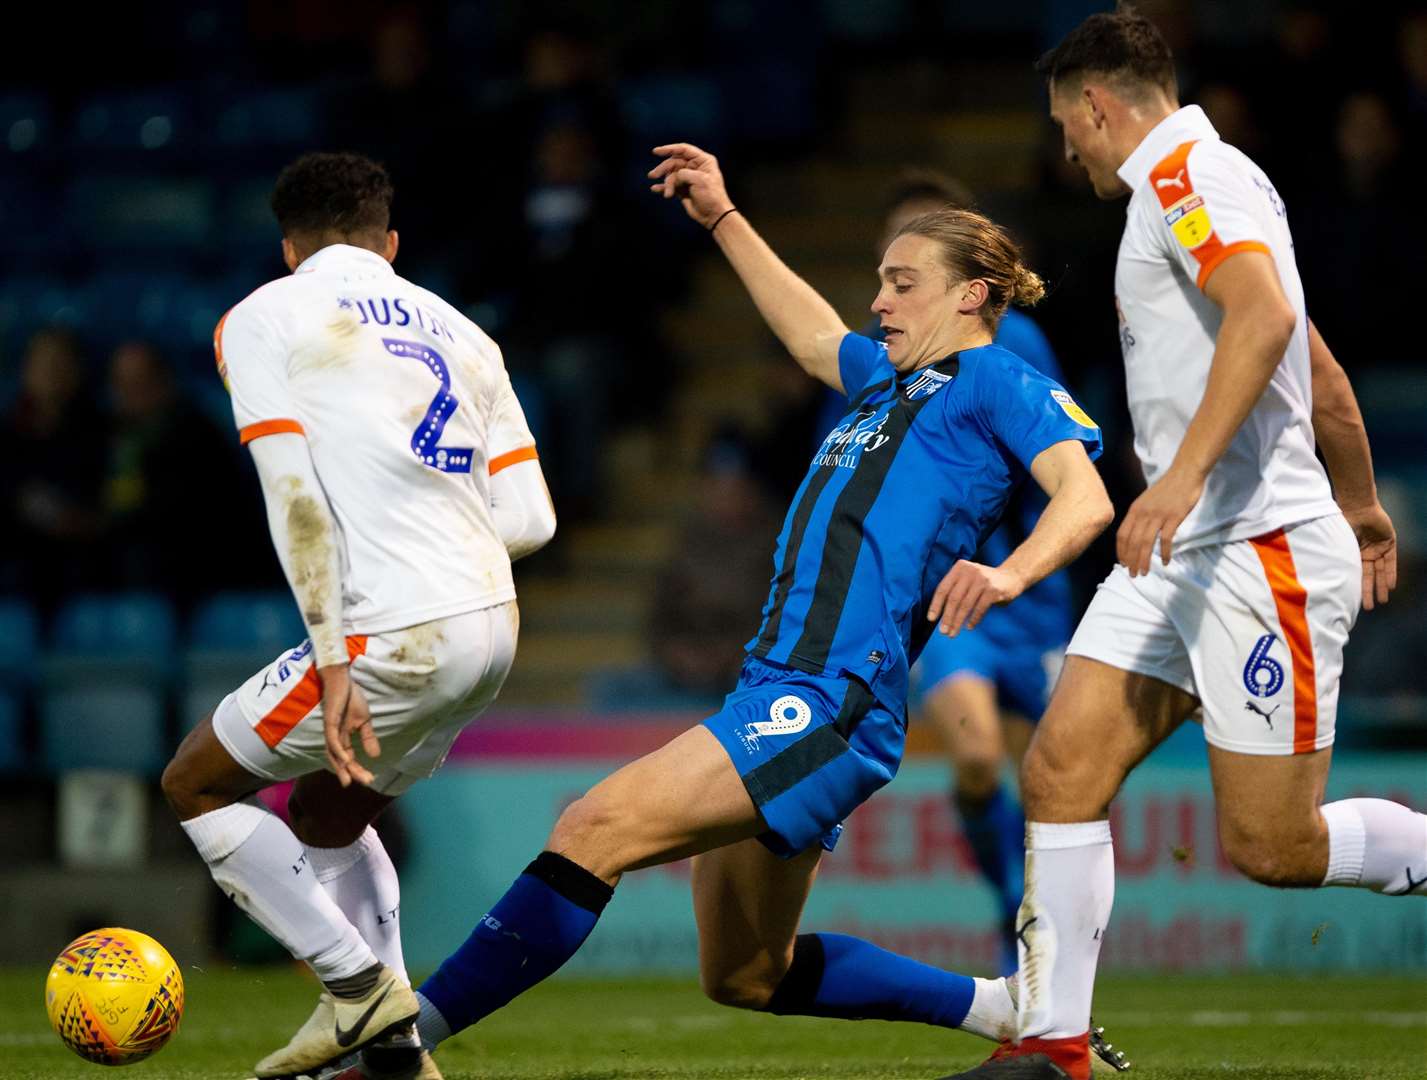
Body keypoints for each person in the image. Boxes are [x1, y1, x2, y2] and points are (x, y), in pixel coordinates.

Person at [396, 142, 1118, 1075]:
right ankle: (1012, 1011)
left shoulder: (996, 380)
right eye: (878, 282)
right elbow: (813, 334)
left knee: (592, 827)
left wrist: (1010, 573)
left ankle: (398, 1043)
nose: (878, 301)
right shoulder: (884, 384)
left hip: (831, 696)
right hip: (777, 686)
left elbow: (1085, 497)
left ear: (971, 294)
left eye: (901, 283)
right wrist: (725, 217)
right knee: (742, 972)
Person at [943, 10, 1417, 1080]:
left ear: (1100, 107)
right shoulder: (1206, 183)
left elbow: (1257, 321)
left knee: (1271, 848)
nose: (1067, 151)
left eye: (1069, 127)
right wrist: (1362, 496)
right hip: (1183, 555)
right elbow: (1316, 363)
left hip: (1256, 553)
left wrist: (1185, 476)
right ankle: (1057, 1044)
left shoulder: (1184, 180)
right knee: (1060, 767)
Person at [159, 152, 556, 1080]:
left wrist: (334, 655)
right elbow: (532, 518)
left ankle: (356, 986)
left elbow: (289, 489)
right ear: (390, 243)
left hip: (390, 631)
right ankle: (395, 1055)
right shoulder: (466, 332)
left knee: (194, 783)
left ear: (288, 246)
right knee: (326, 814)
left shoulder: (265, 315)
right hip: (491, 628)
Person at [869, 172, 1079, 978]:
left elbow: (1055, 462)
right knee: (973, 758)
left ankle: (1040, 938)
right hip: (942, 604)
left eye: (909, 266)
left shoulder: (1011, 346)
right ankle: (1008, 915)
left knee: (1048, 788)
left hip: (1025, 600)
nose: (890, 283)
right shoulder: (879, 351)